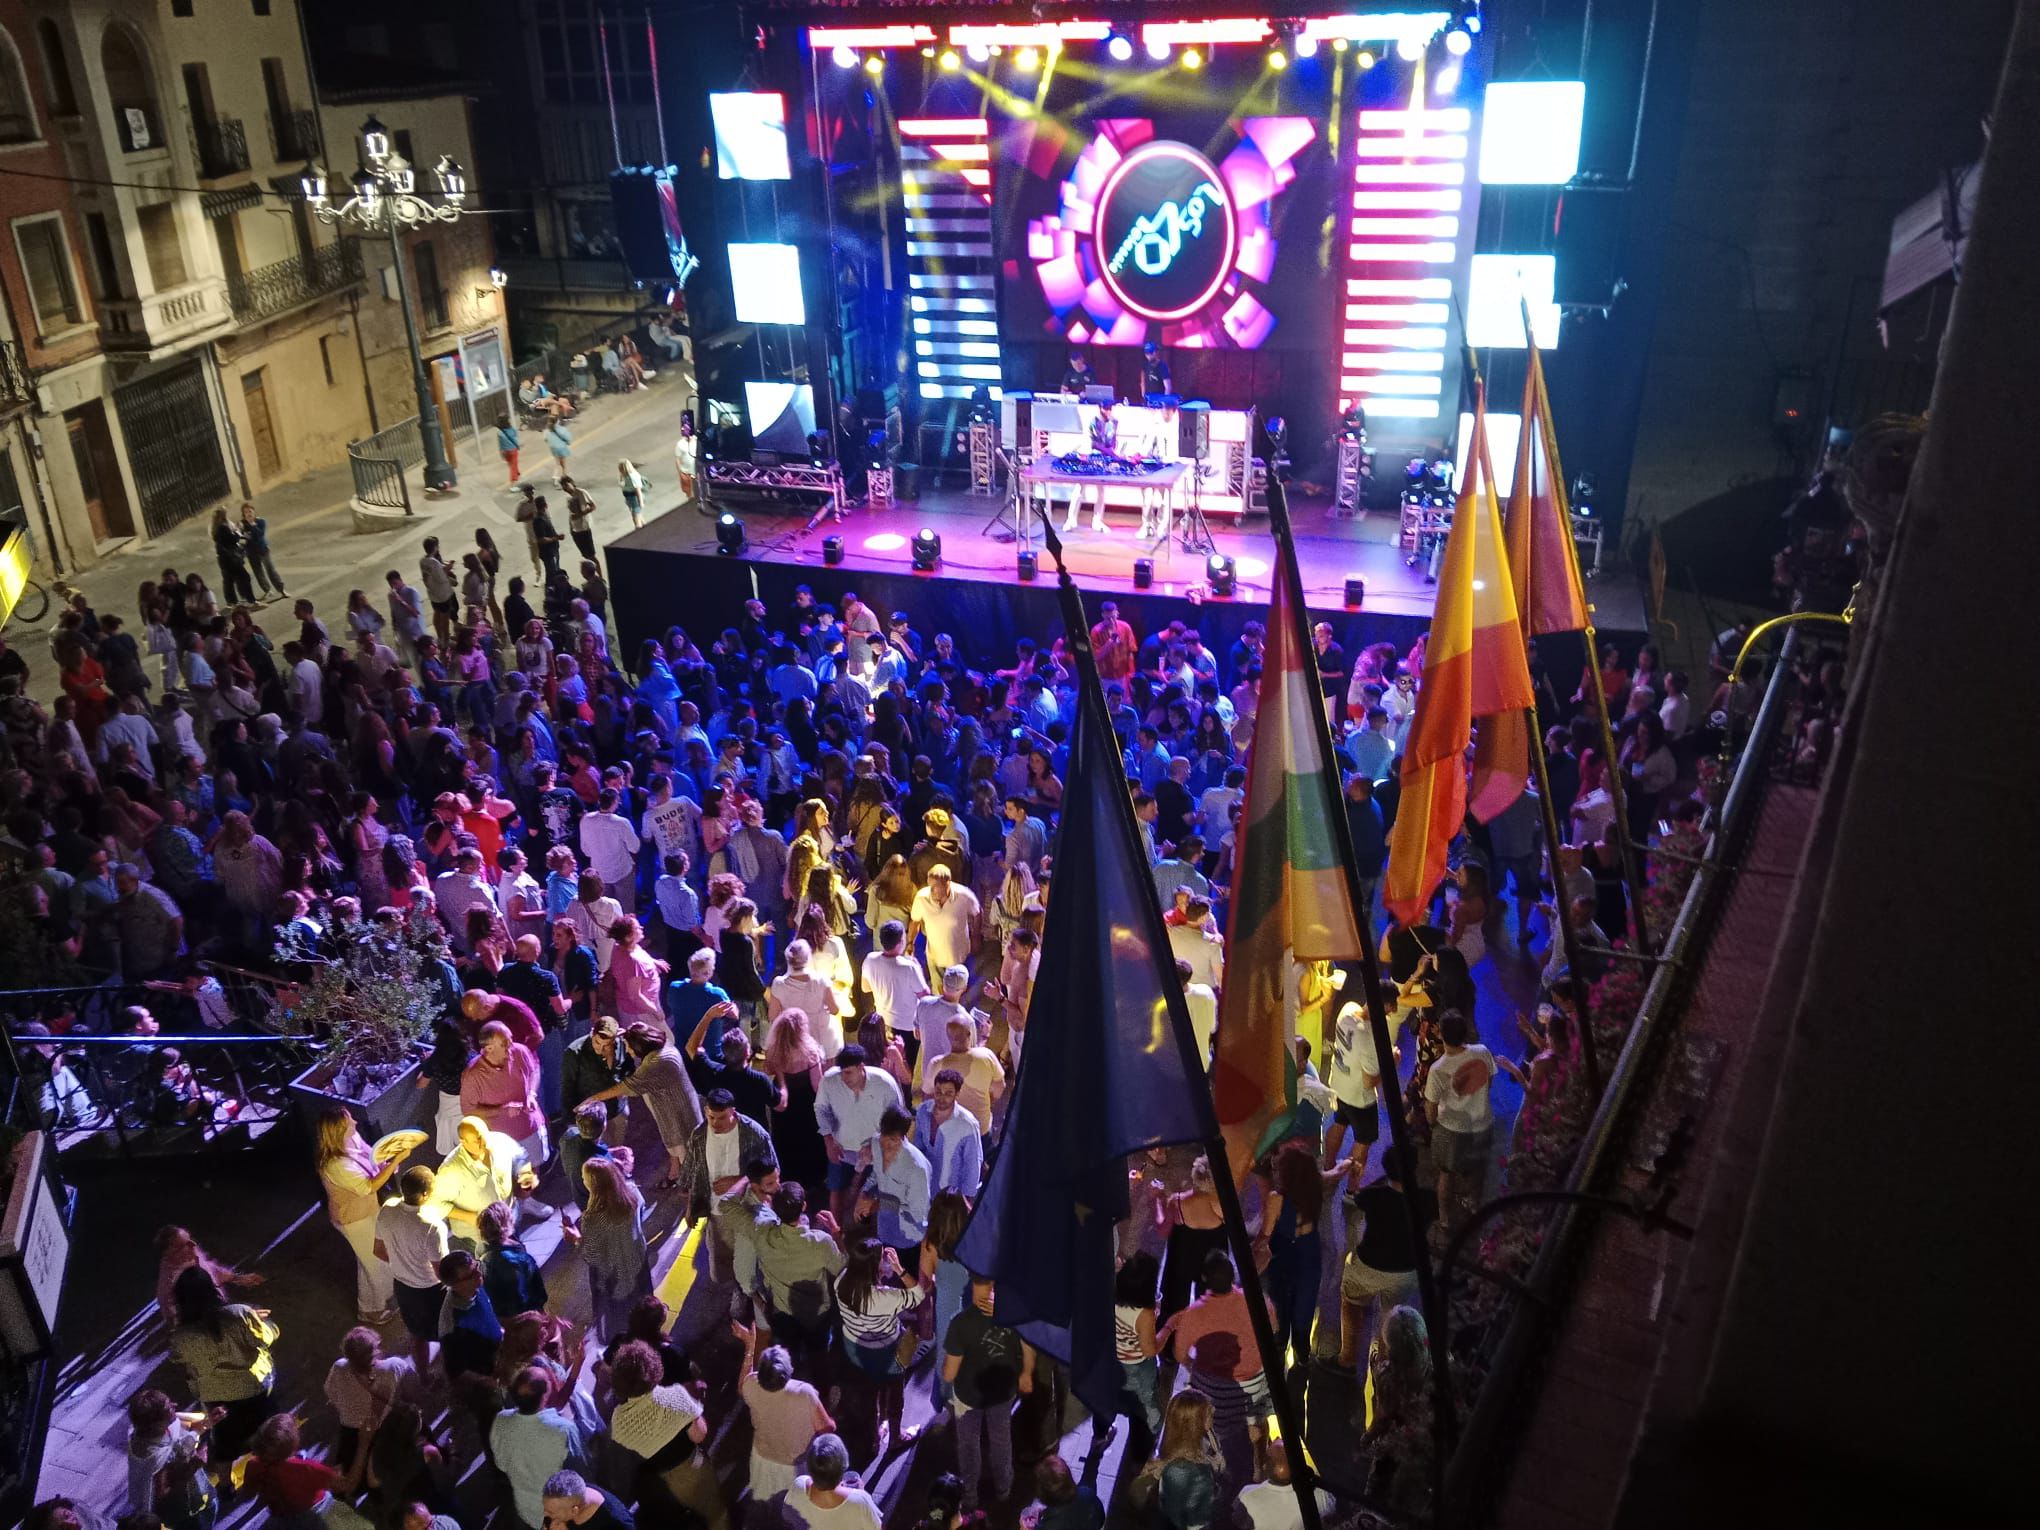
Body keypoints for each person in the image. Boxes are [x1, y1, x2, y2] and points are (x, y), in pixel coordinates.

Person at [607, 1338, 729, 1530]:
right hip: (690, 1472)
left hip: (657, 1487)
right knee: (714, 1513)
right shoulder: (675, 1396)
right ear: (653, 1367)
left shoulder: (618, 1419)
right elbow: (700, 1435)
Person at [942, 1273, 1034, 1511]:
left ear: (975, 1287)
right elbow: (1029, 1347)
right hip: (1002, 1393)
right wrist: (1025, 1374)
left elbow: (950, 1374)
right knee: (1001, 1440)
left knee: (968, 1444)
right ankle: (1004, 1489)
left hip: (968, 1396)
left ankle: (970, 1495)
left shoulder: (961, 1323)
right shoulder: (1015, 1317)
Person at [166, 1264, 278, 1459]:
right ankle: (270, 1457)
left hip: (212, 1395)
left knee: (222, 1441)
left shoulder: (180, 1337)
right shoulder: (238, 1314)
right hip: (252, 1388)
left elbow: (178, 1357)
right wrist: (261, 1322)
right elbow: (264, 1339)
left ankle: (225, 1485)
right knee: (267, 1429)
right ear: (212, 1290)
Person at [1336, 1145, 1432, 1366]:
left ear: (1386, 1168)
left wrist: (1353, 1182)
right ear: (1414, 1168)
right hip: (1405, 1271)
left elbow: (1350, 1206)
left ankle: (1347, 1358)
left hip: (1368, 1265)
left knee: (1351, 1303)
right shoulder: (1427, 1200)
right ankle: (1383, 1360)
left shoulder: (1373, 1195)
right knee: (1392, 1316)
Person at [579, 1021, 700, 1190]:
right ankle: (676, 1174)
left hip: (677, 1117)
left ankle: (691, 1190)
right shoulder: (660, 1046)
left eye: (630, 1046)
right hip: (670, 1109)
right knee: (676, 1148)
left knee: (684, 1152)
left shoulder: (657, 1063)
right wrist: (625, 1035)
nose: (628, 1050)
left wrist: (593, 1098)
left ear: (640, 1046)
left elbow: (626, 1087)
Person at [834, 1237, 926, 1458]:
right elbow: (918, 1295)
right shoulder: (883, 1297)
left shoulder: (842, 1282)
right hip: (887, 1350)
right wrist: (899, 1269)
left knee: (871, 1392)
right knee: (895, 1391)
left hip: (857, 1348)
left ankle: (875, 1435)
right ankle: (895, 1436)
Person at [314, 1106, 400, 1325]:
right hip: (353, 1219)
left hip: (368, 1210)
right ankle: (372, 1310)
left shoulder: (351, 1140)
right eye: (349, 1121)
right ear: (338, 1131)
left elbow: (371, 1155)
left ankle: (370, 1304)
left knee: (369, 1259)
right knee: (375, 1262)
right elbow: (367, 1186)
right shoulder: (335, 1165)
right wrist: (395, 1164)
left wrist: (385, 1164)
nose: (354, 1122)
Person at [733, 1320, 833, 1508]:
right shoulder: (804, 1392)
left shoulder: (752, 1385)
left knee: (771, 1503)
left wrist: (749, 1345)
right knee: (798, 1507)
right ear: (789, 1371)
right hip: (795, 1464)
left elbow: (740, 1386)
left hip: (764, 1459)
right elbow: (827, 1427)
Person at [1423, 1008, 1494, 1230]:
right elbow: (1489, 1081)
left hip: (1450, 1129)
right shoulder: (1482, 1052)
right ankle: (1474, 1204)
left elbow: (1430, 1107)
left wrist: (1433, 1124)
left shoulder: (1438, 1069)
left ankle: (1444, 1218)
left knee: (1446, 1173)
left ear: (1441, 1035)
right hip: (1482, 1123)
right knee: (1477, 1168)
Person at [566, 1156, 651, 1337]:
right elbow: (641, 1214)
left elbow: (593, 1255)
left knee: (620, 1312)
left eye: (584, 1178)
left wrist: (575, 1239)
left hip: (614, 1272)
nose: (582, 1181)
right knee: (641, 1301)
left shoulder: (593, 1217)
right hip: (637, 1259)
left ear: (594, 1185)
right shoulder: (633, 1193)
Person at [375, 1165, 448, 1373]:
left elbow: (377, 1250)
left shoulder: (387, 1209)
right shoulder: (432, 1226)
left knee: (417, 1335)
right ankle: (453, 1375)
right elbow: (441, 1271)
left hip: (403, 1288)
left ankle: (424, 1377)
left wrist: (402, 1264)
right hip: (431, 1291)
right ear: (425, 1195)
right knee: (447, 1333)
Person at [492, 1366, 585, 1530]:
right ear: (545, 1395)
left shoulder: (501, 1421)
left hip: (524, 1510)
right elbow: (581, 1473)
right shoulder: (563, 1430)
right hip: (559, 1516)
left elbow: (500, 1464)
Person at [324, 1327, 413, 1495]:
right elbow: (411, 1396)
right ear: (375, 1351)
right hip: (386, 1429)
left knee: (349, 1472)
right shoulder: (394, 1366)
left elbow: (331, 1393)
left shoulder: (339, 1367)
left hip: (350, 1430)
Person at [1139, 1392, 1222, 1530]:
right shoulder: (1197, 1474)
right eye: (1208, 1415)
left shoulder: (1171, 1444)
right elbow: (1199, 1520)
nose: (1213, 1412)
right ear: (1194, 1424)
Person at [786, 1434, 882, 1530]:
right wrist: (860, 1492)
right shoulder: (860, 1501)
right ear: (843, 1465)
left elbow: (787, 1515)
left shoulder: (799, 1484)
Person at [541, 1470, 635, 1530]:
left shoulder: (618, 1524)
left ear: (574, 1511)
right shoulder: (570, 1494)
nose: (545, 1514)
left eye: (550, 1512)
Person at [239, 502, 285, 597]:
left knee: (271, 570)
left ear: (254, 512)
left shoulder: (261, 522)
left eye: (250, 511)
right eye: (246, 512)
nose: (248, 514)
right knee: (258, 572)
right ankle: (267, 590)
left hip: (263, 549)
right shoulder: (242, 524)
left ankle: (281, 590)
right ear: (243, 514)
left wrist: (253, 525)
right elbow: (242, 539)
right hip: (251, 552)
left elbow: (259, 535)